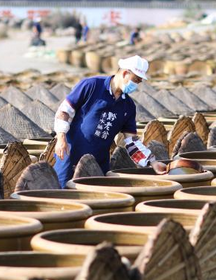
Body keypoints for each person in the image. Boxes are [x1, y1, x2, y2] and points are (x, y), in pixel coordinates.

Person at [53, 55, 165, 187]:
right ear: (124, 73)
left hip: (97, 163)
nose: (136, 85)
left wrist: (152, 162)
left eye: (139, 81)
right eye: (135, 80)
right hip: (69, 154)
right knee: (62, 192)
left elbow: (132, 143)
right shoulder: (92, 85)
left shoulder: (128, 106)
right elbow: (64, 111)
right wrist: (61, 138)